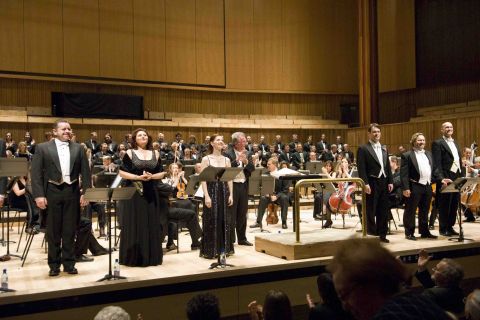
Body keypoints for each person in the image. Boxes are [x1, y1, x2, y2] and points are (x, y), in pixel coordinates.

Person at [329, 238, 450, 320]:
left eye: (344, 295)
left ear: (369, 284)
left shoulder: (390, 316)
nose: (344, 306)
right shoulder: (419, 302)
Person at [31, 119, 91, 276]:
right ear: (55, 131)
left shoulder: (79, 148)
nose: (67, 131)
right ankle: (54, 264)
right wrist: (39, 195)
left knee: (70, 230)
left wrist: (86, 193)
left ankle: (69, 263)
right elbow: (35, 174)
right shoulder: (42, 148)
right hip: (51, 192)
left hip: (72, 192)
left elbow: (86, 173)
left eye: (69, 129)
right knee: (53, 231)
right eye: (63, 129)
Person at [118, 128, 167, 266]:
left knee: (151, 223)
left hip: (151, 191)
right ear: (135, 139)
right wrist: (137, 177)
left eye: (145, 135)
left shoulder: (155, 153)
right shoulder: (129, 152)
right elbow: (122, 172)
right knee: (135, 223)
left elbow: (162, 173)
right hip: (134, 192)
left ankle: (151, 257)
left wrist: (152, 176)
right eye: (140, 135)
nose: (143, 136)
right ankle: (135, 257)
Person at [356, 123, 393, 243]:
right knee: (370, 210)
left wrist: (390, 181)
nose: (377, 134)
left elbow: (387, 166)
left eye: (378, 132)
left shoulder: (383, 147)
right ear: (369, 133)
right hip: (371, 182)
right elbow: (361, 168)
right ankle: (372, 235)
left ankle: (382, 235)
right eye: (374, 132)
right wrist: (365, 183)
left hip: (384, 181)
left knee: (383, 209)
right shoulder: (363, 148)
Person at [200, 135, 234, 259]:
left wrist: (231, 194)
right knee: (211, 220)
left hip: (224, 191)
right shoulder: (206, 159)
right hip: (211, 190)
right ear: (212, 143)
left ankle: (224, 249)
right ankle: (211, 249)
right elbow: (203, 179)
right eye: (218, 140)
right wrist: (207, 196)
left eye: (221, 140)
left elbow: (229, 178)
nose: (221, 142)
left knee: (224, 219)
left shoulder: (227, 160)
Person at [400, 133, 437, 240]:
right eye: (419, 140)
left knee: (425, 210)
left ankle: (424, 231)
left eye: (423, 140)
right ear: (414, 141)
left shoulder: (429, 154)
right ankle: (409, 233)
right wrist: (406, 188)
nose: (422, 142)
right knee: (410, 210)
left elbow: (433, 170)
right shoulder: (407, 155)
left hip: (427, 185)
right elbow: (404, 174)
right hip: (414, 185)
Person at [432, 122, 465, 236]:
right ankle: (443, 228)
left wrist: (462, 177)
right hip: (445, 178)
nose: (449, 129)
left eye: (451, 127)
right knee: (444, 204)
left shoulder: (455, 142)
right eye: (446, 127)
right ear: (442, 130)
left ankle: (450, 227)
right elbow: (437, 163)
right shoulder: (437, 143)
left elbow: (459, 161)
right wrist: (441, 178)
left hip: (456, 177)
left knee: (454, 204)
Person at [225, 132, 255, 246]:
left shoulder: (248, 153)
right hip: (232, 186)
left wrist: (247, 162)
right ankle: (231, 240)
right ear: (235, 143)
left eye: (245, 141)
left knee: (243, 213)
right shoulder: (228, 153)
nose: (245, 143)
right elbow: (225, 169)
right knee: (231, 214)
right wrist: (237, 160)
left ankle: (242, 238)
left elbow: (251, 169)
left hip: (243, 185)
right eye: (243, 141)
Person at [415, 249, 465, 315]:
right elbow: (433, 287)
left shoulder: (431, 294)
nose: (433, 270)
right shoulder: (457, 291)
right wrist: (422, 268)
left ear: (446, 278)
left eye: (437, 269)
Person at [249, 157, 291, 229]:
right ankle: (258, 222)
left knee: (285, 198)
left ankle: (284, 222)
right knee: (263, 199)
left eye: (269, 164)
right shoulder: (266, 174)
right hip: (269, 195)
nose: (267, 166)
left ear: (275, 165)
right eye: (267, 164)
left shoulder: (282, 174)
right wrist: (266, 192)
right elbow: (262, 187)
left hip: (279, 195)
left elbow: (285, 189)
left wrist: (277, 196)